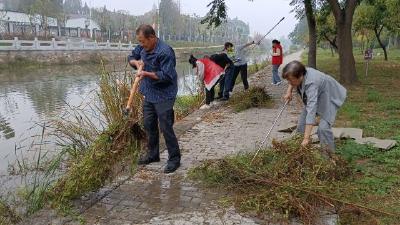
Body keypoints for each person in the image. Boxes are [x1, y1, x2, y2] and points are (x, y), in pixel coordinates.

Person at [128, 24, 180, 173]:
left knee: (165, 127)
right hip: (149, 92)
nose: (141, 45)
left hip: (165, 94)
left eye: (143, 41)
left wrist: (145, 74)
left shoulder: (165, 52)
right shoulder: (142, 47)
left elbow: (166, 76)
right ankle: (153, 154)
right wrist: (135, 62)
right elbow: (131, 56)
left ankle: (174, 159)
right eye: (140, 42)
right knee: (149, 124)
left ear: (152, 37)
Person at [282, 61, 347, 152]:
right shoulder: (299, 73)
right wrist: (289, 92)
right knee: (301, 125)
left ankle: (328, 157)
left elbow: (311, 111)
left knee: (323, 129)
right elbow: (291, 79)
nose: (289, 82)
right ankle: (300, 152)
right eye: (288, 80)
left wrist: (306, 138)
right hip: (315, 95)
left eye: (291, 80)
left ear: (300, 76)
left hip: (329, 96)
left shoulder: (312, 83)